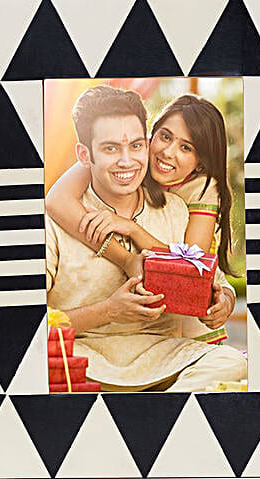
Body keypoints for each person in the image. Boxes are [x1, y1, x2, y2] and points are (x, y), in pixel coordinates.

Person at [45, 85, 246, 391]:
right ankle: (160, 413)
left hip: (162, 357)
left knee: (232, 362)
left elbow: (208, 277)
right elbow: (24, 326)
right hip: (83, 358)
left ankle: (157, 414)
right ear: (85, 155)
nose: (127, 161)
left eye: (136, 146)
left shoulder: (179, 209)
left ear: (144, 144)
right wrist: (109, 310)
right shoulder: (60, 218)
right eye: (111, 148)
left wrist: (223, 299)